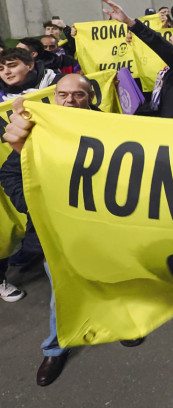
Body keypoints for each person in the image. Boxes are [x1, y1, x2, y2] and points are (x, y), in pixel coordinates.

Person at [1, 74, 99, 386]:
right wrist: (35, 205)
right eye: (63, 94)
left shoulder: (112, 130)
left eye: (78, 95)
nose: (69, 101)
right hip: (55, 231)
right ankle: (56, 347)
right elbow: (11, 175)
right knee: (62, 289)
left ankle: (124, 327)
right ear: (54, 97)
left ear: (91, 98)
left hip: (104, 229)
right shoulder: (35, 131)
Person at [100, 0, 173, 118]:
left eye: (171, 42)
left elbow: (161, 45)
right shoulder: (169, 72)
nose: (168, 44)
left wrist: (131, 23)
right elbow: (157, 107)